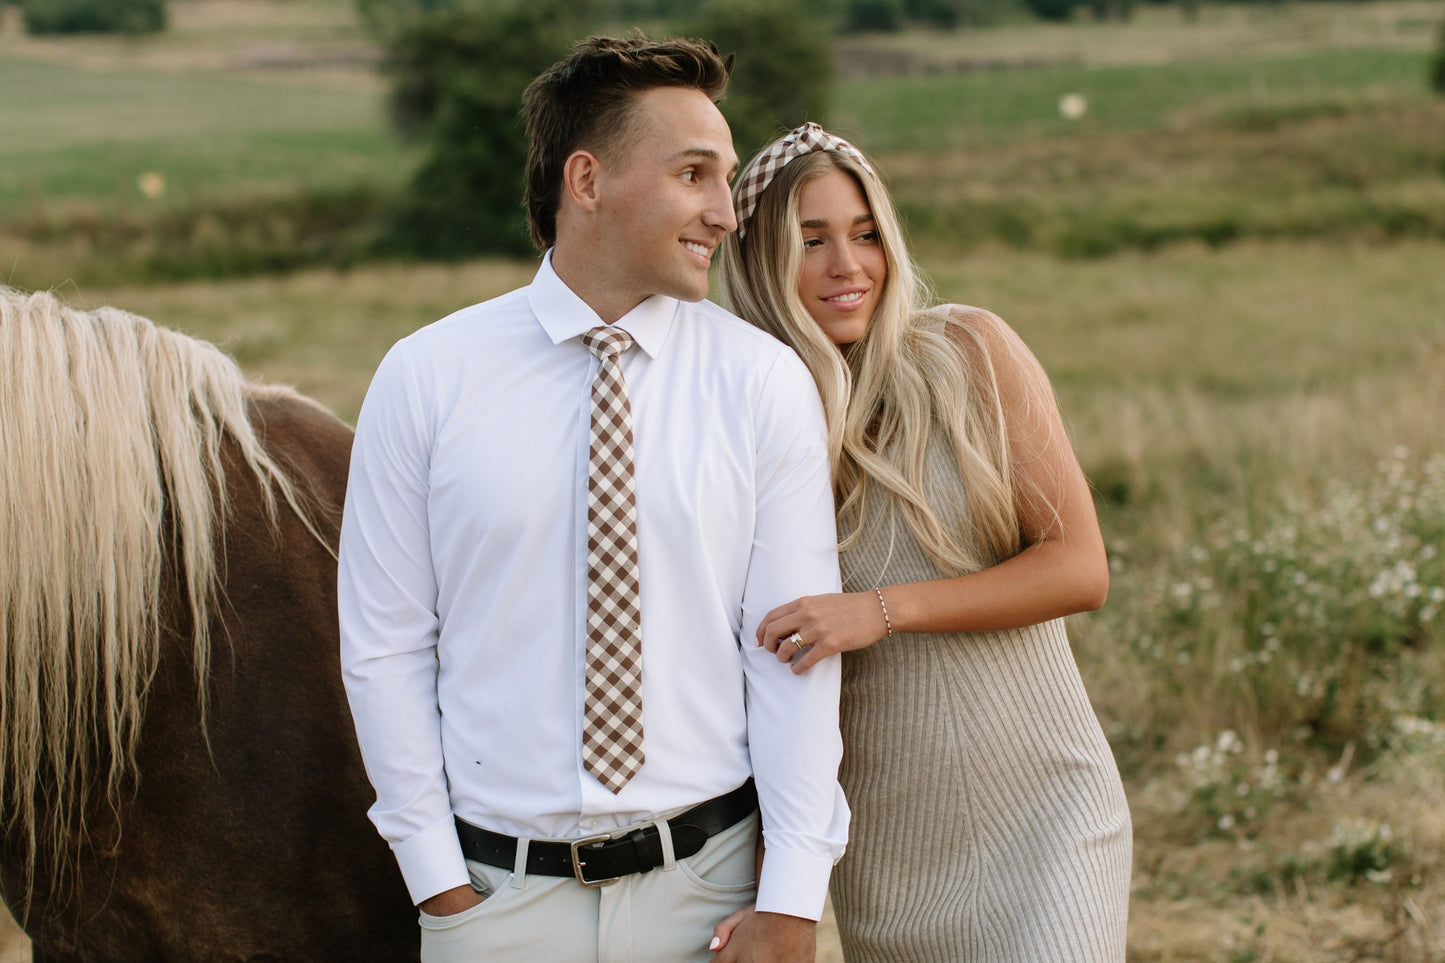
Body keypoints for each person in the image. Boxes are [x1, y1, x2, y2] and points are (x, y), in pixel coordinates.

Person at [337, 41, 848, 963]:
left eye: (725, 177)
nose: (725, 211)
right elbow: (384, 647)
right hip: (496, 904)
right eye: (693, 174)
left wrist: (790, 897)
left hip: (710, 898)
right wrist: (442, 887)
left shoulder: (762, 383)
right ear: (587, 180)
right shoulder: (426, 376)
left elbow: (790, 656)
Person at [714, 123, 1132, 961]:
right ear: (758, 258)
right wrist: (771, 892)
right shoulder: (743, 419)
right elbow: (756, 683)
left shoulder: (966, 352)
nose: (848, 265)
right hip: (890, 855)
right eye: (811, 240)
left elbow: (1078, 569)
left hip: (1049, 816)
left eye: (866, 233)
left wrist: (879, 609)